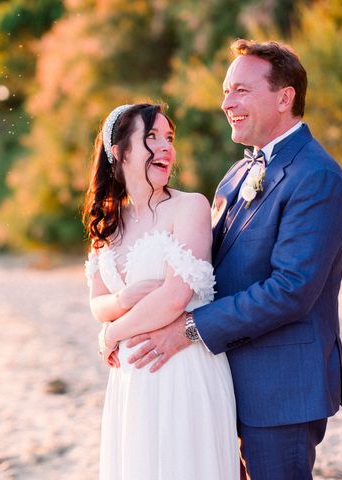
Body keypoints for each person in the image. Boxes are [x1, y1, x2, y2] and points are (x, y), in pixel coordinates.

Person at [125, 40, 342, 479]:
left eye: (241, 91)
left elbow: (290, 291)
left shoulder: (316, 176)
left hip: (280, 388)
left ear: (284, 97)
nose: (226, 103)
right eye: (226, 91)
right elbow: (206, 269)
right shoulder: (236, 174)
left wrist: (189, 330)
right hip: (221, 381)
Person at [83, 103, 239, 479]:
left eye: (169, 137)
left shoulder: (189, 206)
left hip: (182, 369)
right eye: (151, 137)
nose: (166, 147)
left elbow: (174, 298)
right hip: (131, 382)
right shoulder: (110, 221)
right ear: (118, 152)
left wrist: (114, 333)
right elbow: (97, 303)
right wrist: (121, 302)